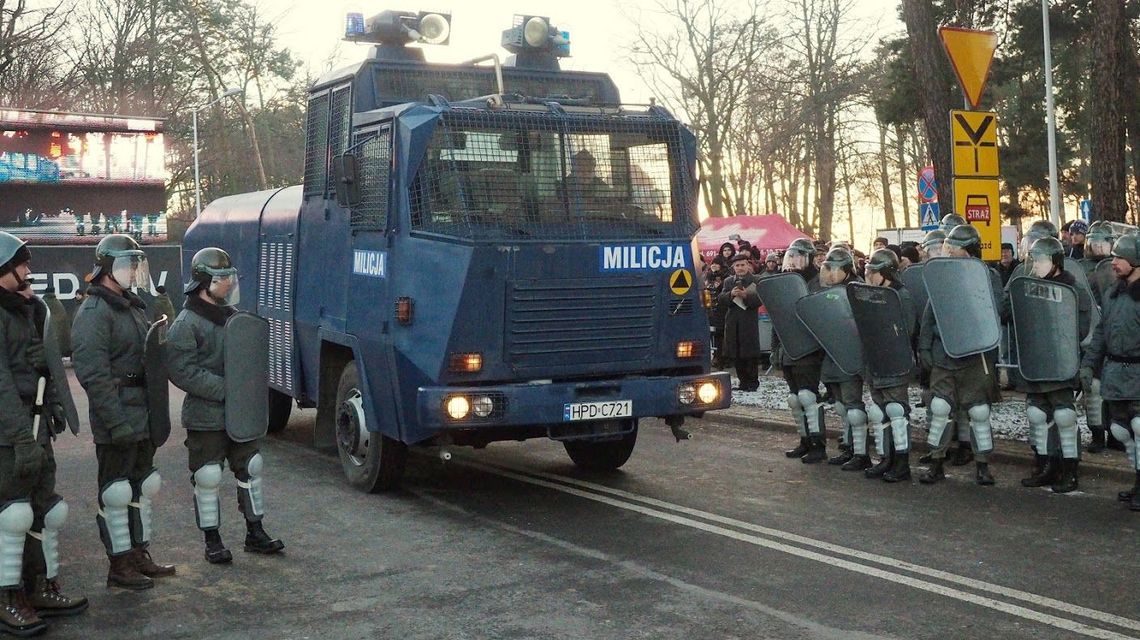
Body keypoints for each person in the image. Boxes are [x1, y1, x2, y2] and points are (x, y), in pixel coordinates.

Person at [165, 248, 285, 563]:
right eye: (222, 277)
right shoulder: (186, 323)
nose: (229, 282)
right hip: (206, 416)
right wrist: (226, 390)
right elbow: (182, 371)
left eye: (230, 276)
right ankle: (212, 540)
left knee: (251, 468)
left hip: (240, 415)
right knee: (207, 476)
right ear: (205, 281)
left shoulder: (233, 317)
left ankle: (255, 532)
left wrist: (243, 393)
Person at [71, 234, 176, 590]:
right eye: (126, 264)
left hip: (143, 413)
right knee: (115, 491)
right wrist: (116, 423)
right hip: (117, 415)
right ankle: (119, 563)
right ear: (107, 268)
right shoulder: (93, 313)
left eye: (135, 264)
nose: (132, 270)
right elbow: (93, 375)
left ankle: (138, 554)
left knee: (141, 487)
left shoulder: (132, 307)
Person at [0, 232, 88, 635]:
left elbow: (46, 369)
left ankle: (40, 587)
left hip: (37, 429)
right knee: (12, 516)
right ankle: (7, 596)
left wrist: (52, 405)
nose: (29, 270)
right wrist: (20, 437)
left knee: (46, 510)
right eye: (22, 264)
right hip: (9, 435)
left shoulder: (30, 310)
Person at [1003, 237, 1091, 492]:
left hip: (1061, 365)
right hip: (1036, 363)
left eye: (1041, 260)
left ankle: (1070, 470)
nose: (1036, 265)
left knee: (1064, 416)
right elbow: (1008, 314)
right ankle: (1046, 466)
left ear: (1055, 262)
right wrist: (1013, 292)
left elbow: (1079, 330)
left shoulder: (1074, 292)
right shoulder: (1029, 289)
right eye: (1034, 260)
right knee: (1037, 415)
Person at [918, 225, 1001, 485]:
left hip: (977, 356)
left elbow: (994, 314)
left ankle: (982, 465)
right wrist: (925, 348)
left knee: (978, 412)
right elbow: (929, 316)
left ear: (966, 250)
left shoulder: (989, 276)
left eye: (953, 247)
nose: (949, 252)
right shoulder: (941, 277)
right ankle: (936, 462)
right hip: (945, 355)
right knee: (940, 408)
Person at [1081, 233, 1140, 511]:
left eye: (1120, 258)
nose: (1114, 263)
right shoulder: (1113, 293)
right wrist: (1089, 365)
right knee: (1120, 430)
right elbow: (1102, 334)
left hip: (1138, 373)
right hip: (1116, 373)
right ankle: (1138, 482)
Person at [858, 249, 918, 482]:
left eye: (872, 272)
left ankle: (902, 463)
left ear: (884, 272)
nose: (868, 276)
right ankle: (887, 458)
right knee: (881, 412)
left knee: (896, 412)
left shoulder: (900, 296)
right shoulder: (874, 294)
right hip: (876, 362)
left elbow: (905, 330)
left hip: (893, 362)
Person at [812, 248, 869, 470]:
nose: (829, 274)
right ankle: (849, 447)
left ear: (846, 270)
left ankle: (861, 453)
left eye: (834, 269)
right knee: (841, 406)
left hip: (850, 355)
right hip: (831, 355)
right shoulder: (828, 292)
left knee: (853, 406)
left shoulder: (857, 290)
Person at [777, 239, 826, 462]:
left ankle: (818, 444)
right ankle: (804, 440)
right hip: (789, 349)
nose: (793, 262)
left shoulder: (818, 283)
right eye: (791, 257)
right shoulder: (786, 282)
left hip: (809, 349)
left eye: (798, 257)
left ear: (808, 258)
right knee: (795, 399)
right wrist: (776, 347)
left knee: (808, 397)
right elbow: (779, 317)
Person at [717, 253, 762, 392]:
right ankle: (743, 382)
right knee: (736, 353)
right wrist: (731, 294)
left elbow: (760, 300)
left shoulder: (756, 280)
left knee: (749, 353)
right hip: (732, 321)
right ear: (733, 267)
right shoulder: (728, 281)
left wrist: (746, 296)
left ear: (748, 265)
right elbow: (721, 298)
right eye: (737, 265)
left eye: (743, 265)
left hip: (748, 321)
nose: (740, 268)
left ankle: (753, 382)